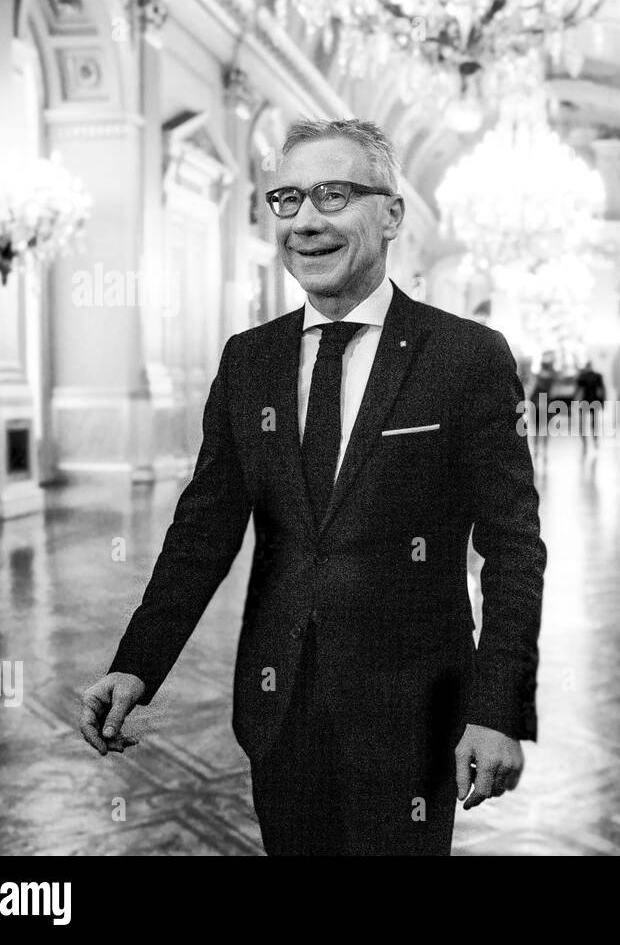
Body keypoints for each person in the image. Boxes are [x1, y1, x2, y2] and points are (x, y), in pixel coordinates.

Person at [80, 118, 547, 856]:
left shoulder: (464, 357)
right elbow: (203, 531)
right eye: (288, 198)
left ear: (391, 213)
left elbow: (514, 547)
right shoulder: (250, 360)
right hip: (279, 704)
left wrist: (499, 707)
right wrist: (138, 661)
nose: (306, 220)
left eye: (333, 194)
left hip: (414, 712)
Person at [573, 360, 607, 452]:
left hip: (584, 401)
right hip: (594, 400)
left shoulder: (582, 376)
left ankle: (585, 442)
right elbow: (602, 390)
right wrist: (603, 401)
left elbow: (578, 390)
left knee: (583, 424)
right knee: (594, 423)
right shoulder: (597, 376)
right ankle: (595, 441)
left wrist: (575, 401)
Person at [530, 355, 557, 462]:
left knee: (537, 428)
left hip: (537, 405)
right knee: (546, 428)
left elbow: (533, 394)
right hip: (547, 405)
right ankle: (544, 448)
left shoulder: (538, 377)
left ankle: (537, 447)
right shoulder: (551, 378)